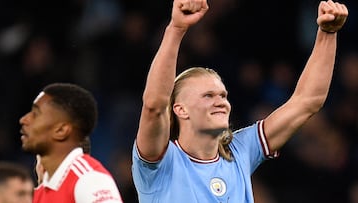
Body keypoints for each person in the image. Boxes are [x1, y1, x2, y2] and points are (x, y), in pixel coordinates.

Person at [131, 0, 348, 202]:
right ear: (180, 109)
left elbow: (307, 101)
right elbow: (154, 106)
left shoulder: (240, 149)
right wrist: (176, 30)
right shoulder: (160, 163)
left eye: (223, 95)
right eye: (208, 95)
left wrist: (327, 34)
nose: (221, 102)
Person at [20, 83, 124, 203]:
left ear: (61, 130)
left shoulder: (89, 179)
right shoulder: (39, 194)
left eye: (36, 114)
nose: (24, 119)